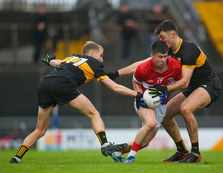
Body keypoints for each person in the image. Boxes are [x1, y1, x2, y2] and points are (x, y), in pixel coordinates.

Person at [9, 41, 144, 163]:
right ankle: (105, 144)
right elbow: (114, 87)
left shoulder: (72, 57)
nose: (102, 59)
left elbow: (57, 63)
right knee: (94, 114)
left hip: (45, 84)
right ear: (91, 53)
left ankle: (17, 157)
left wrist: (49, 61)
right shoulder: (95, 64)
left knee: (40, 129)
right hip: (64, 85)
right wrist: (136, 94)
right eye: (100, 55)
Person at [107, 19, 221, 163]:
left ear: (173, 34)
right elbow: (142, 64)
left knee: (186, 108)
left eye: (162, 37)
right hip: (192, 88)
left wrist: (164, 88)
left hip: (209, 84)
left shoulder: (189, 49)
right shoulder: (167, 53)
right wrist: (117, 73)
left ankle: (196, 154)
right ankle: (181, 151)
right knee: (166, 115)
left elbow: (184, 82)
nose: (160, 40)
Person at [111, 40, 182, 163]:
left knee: (145, 142)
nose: (163, 60)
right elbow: (136, 81)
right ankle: (131, 157)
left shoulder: (175, 66)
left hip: (161, 105)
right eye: (160, 57)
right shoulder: (143, 68)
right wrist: (139, 94)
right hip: (145, 102)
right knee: (151, 123)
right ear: (152, 55)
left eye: (165, 56)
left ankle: (116, 151)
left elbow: (181, 83)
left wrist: (168, 92)